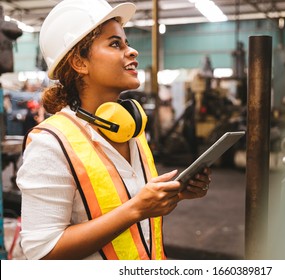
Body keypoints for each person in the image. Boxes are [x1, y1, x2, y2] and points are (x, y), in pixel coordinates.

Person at [16, 0, 211, 260]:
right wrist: (136, 209)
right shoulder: (51, 143)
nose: (132, 52)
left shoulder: (130, 129)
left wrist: (169, 195)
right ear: (79, 62)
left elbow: (127, 212)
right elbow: (42, 252)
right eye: (115, 44)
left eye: (126, 43)